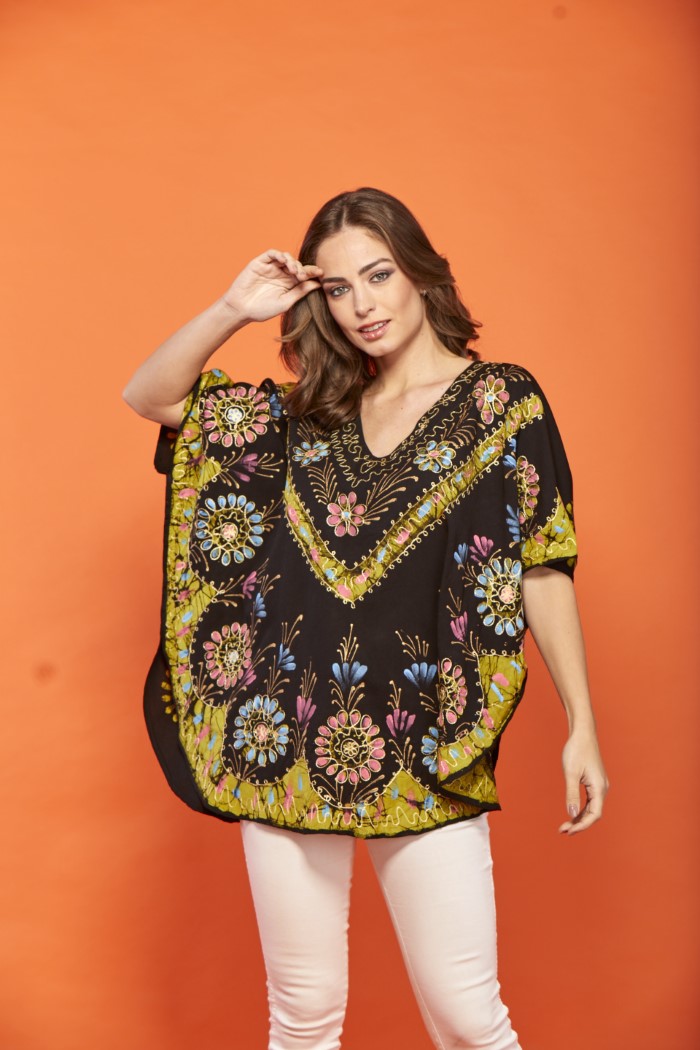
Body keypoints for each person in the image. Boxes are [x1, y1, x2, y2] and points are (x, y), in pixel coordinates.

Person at [123, 186, 609, 1050]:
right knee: (302, 1017)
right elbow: (151, 395)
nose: (362, 306)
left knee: (468, 1017)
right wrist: (234, 308)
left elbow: (541, 560)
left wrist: (582, 724)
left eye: (379, 276)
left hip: (428, 742)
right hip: (286, 744)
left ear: (421, 274)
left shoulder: (501, 403)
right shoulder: (306, 417)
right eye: (339, 288)